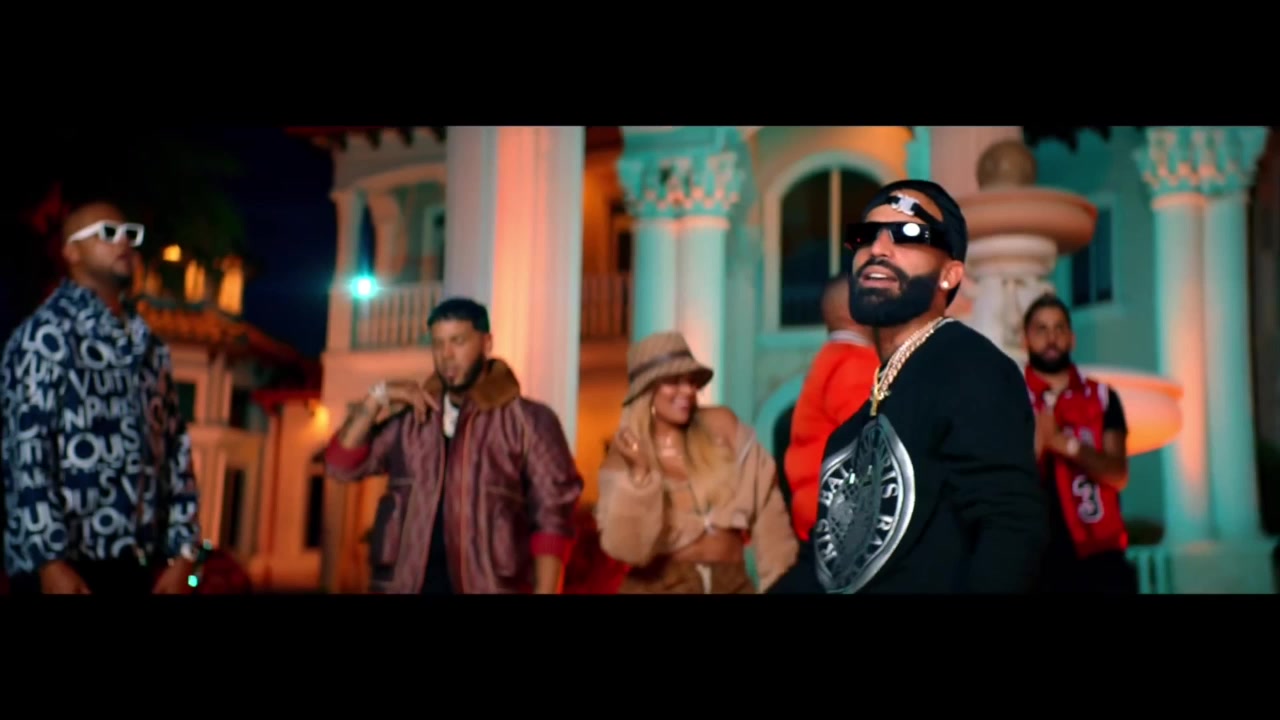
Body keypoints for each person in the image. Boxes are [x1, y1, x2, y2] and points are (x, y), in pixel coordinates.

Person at [773, 179, 1047, 594]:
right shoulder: (850, 428)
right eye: (865, 235)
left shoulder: (969, 366)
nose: (878, 248)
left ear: (949, 274)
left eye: (909, 233)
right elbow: (824, 564)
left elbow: (1009, 529)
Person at [1, 201, 202, 595]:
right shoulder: (45, 336)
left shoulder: (149, 347)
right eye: (107, 233)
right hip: (66, 566)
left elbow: (175, 450)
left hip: (139, 566)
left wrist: (184, 554)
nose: (123, 241)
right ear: (71, 252)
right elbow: (25, 452)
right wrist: (50, 562)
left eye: (130, 233)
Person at [324, 297, 583, 594]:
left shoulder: (528, 421)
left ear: (486, 343)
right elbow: (340, 465)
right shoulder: (413, 420)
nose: (446, 355)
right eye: (438, 343)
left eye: (458, 341)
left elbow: (553, 518)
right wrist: (378, 397)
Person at [594, 331, 799, 593]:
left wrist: (780, 586)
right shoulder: (626, 455)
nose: (688, 391)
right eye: (673, 381)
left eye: (690, 381)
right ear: (647, 390)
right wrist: (640, 477)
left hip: (732, 584)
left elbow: (771, 520)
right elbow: (628, 549)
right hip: (660, 587)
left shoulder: (722, 427)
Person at [1022, 293, 1136, 593]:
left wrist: (1066, 444)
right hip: (1034, 558)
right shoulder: (1011, 398)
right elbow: (1001, 482)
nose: (1051, 338)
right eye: (1041, 329)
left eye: (1059, 328)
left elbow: (1118, 474)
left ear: (1072, 338)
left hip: (1100, 556)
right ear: (1025, 340)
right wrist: (1039, 443)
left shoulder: (1101, 396)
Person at [783, 273, 879, 543]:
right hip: (844, 516)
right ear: (858, 310)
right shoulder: (855, 363)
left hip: (819, 509)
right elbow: (872, 441)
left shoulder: (830, 359)